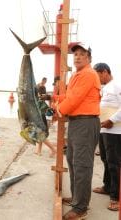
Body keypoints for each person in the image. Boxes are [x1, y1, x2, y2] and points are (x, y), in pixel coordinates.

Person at [55, 43, 101, 219]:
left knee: (82, 165)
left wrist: (59, 109)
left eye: (82, 54)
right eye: (75, 54)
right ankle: (77, 198)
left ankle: (81, 208)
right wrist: (56, 100)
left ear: (89, 58)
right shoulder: (77, 75)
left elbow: (73, 100)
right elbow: (68, 97)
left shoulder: (88, 74)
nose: (78, 57)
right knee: (74, 162)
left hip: (86, 122)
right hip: (76, 122)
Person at [92, 63, 121, 211]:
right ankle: (107, 186)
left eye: (97, 75)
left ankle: (116, 197)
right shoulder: (104, 88)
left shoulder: (117, 85)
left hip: (115, 131)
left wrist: (112, 120)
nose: (97, 79)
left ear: (104, 72)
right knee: (105, 159)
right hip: (104, 130)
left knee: (114, 163)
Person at [35, 77, 56, 157]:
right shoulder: (41, 100)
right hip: (43, 116)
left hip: (40, 117)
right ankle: (39, 151)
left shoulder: (39, 100)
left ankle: (53, 149)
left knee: (41, 135)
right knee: (41, 134)